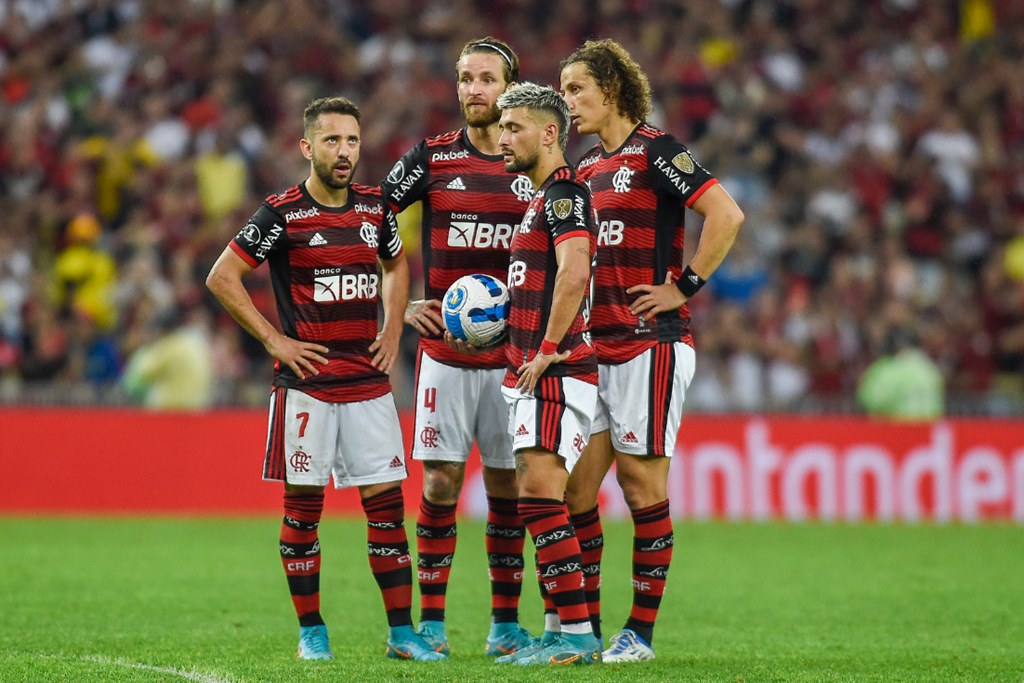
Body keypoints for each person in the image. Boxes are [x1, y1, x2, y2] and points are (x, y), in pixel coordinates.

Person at [205, 96, 444, 662]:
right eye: (332, 141)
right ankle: (312, 631)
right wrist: (274, 341)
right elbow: (223, 276)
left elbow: (395, 263)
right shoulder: (282, 214)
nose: (344, 152)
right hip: (307, 387)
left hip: (368, 384)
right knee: (301, 513)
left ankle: (402, 634)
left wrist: (392, 326)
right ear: (307, 147)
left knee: (387, 512)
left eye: (353, 141)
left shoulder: (375, 208)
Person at [559, 39, 745, 662]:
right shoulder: (583, 168)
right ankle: (579, 627)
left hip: (649, 343)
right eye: (563, 92)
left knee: (641, 486)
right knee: (576, 494)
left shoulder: (657, 151)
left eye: (577, 89)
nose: (569, 103)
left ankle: (638, 633)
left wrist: (682, 285)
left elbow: (726, 215)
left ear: (610, 89)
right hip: (594, 350)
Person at [381, 37, 534, 656]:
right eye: (465, 78)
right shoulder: (432, 157)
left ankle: (503, 625)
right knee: (441, 485)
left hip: (511, 360)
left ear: (510, 87)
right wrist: (402, 300)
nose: (473, 89)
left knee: (507, 491)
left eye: (486, 79)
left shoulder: (535, 163)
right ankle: (433, 624)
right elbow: (372, 215)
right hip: (444, 357)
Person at [492, 82, 601, 666]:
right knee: (541, 497)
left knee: (539, 493)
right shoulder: (541, 198)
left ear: (549, 133)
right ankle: (559, 630)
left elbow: (575, 270)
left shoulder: (563, 195)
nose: (503, 137)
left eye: (514, 128)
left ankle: (578, 636)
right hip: (534, 369)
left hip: (554, 369)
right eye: (502, 127)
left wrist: (548, 347)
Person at [857, 326, 945, 419]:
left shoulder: (893, 368)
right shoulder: (929, 367)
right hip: (929, 428)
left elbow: (874, 400)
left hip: (900, 428)